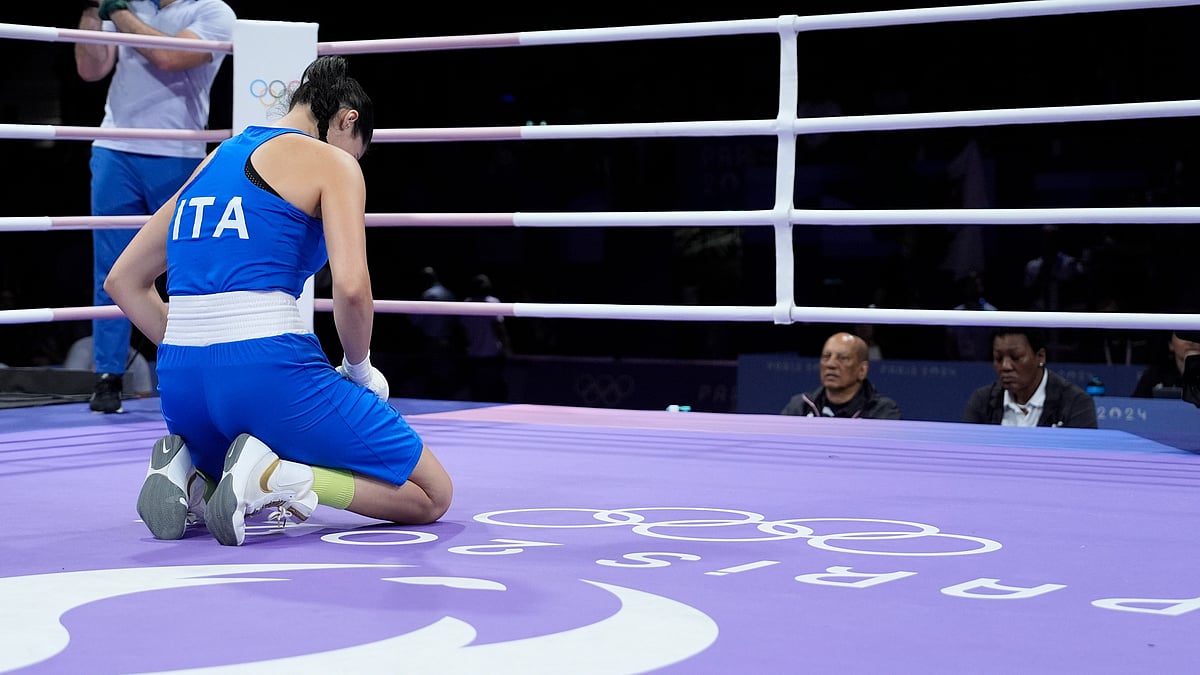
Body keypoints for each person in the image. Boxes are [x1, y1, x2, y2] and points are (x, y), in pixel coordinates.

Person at [104, 55, 453, 546]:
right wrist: (359, 369)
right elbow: (351, 290)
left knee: (243, 449)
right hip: (268, 372)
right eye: (358, 150)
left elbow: (122, 280)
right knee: (430, 494)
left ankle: (192, 472)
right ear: (348, 120)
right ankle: (281, 477)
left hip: (182, 388)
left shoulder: (215, 160)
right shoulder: (333, 162)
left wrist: (202, 346)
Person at [76, 0, 236, 414]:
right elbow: (90, 68)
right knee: (110, 267)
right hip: (116, 147)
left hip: (178, 151)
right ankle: (107, 376)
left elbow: (170, 56)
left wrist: (120, 13)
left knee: (185, 268)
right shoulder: (127, 9)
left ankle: (186, 371)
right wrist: (93, 11)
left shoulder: (213, 12)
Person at [961, 327, 1097, 428]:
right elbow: (965, 454)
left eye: (1016, 357)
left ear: (1040, 357)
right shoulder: (982, 401)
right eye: (998, 358)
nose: (1005, 366)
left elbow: (1083, 462)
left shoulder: (1075, 403)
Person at [780, 332, 902, 419]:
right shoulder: (801, 406)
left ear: (862, 370)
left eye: (843, 358)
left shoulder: (882, 412)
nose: (831, 364)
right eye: (826, 357)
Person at [461, 273, 511, 402]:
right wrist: (507, 349)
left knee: (481, 388)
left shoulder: (467, 303)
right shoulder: (491, 302)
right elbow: (499, 328)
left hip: (479, 354)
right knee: (486, 389)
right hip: (487, 355)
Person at [1131, 331, 1200, 398]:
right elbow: (1136, 404)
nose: (1190, 342)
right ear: (1171, 345)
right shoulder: (1155, 373)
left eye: (1196, 334)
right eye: (1183, 336)